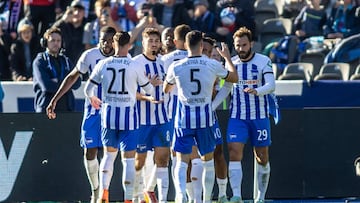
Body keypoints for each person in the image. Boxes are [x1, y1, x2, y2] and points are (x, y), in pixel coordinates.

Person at [163, 30, 238, 203]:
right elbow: (233, 77)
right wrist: (227, 58)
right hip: (205, 118)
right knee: (207, 160)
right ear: (202, 46)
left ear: (185, 45)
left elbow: (166, 89)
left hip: (184, 119)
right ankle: (204, 199)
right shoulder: (211, 64)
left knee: (181, 161)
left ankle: (180, 195)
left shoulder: (176, 66)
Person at [83, 31, 157, 203]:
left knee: (108, 157)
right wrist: (148, 84)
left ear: (114, 44)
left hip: (108, 117)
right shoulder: (135, 65)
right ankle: (128, 199)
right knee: (128, 161)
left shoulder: (104, 63)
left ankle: (104, 193)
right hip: (129, 119)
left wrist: (93, 98)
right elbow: (150, 91)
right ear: (129, 45)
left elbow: (88, 88)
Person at [46, 25, 116, 203]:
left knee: (112, 154)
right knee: (89, 153)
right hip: (93, 111)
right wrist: (54, 100)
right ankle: (96, 190)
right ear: (97, 40)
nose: (107, 44)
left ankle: (109, 193)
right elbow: (72, 77)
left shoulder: (123, 58)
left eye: (110, 41)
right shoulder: (90, 56)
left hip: (114, 112)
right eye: (103, 40)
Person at [212, 26, 276, 203]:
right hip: (237, 117)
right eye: (238, 45)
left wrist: (257, 91)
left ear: (251, 44)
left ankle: (260, 197)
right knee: (234, 152)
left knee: (262, 156)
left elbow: (271, 85)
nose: (241, 49)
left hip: (260, 117)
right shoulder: (232, 63)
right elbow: (226, 89)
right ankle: (237, 196)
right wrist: (212, 106)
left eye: (244, 45)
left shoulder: (263, 61)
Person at [132, 27, 171, 203]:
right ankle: (137, 196)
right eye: (151, 41)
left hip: (162, 119)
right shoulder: (135, 63)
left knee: (163, 158)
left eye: (157, 41)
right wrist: (148, 95)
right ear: (143, 42)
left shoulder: (164, 62)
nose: (154, 44)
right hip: (141, 120)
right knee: (139, 162)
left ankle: (159, 198)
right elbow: (129, 92)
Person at [32, 27, 81, 113]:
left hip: (67, 108)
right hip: (46, 108)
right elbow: (46, 86)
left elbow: (77, 83)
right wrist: (67, 83)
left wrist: (56, 81)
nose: (56, 43)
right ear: (45, 42)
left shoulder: (66, 61)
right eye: (52, 40)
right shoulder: (40, 61)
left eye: (58, 41)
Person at [51, 0, 87, 64]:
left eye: (80, 10)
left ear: (84, 13)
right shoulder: (62, 23)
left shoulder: (87, 25)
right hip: (62, 62)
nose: (76, 13)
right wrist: (63, 21)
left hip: (81, 63)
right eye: (74, 10)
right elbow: (50, 34)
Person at [10, 17, 40, 81]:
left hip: (36, 79)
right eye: (24, 32)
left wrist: (36, 76)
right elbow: (14, 66)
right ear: (20, 34)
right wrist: (17, 77)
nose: (26, 34)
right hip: (21, 79)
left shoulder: (38, 45)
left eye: (28, 32)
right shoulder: (15, 47)